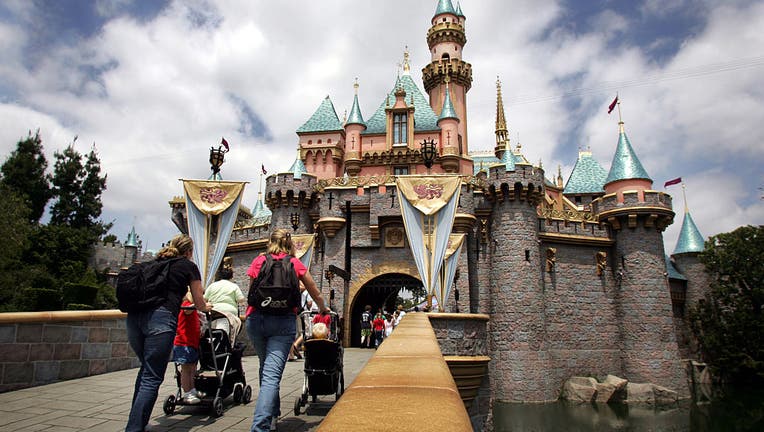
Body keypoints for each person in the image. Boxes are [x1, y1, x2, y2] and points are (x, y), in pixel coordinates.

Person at [126, 234, 212, 432]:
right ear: (189, 252)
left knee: (146, 371)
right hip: (160, 319)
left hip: (134, 318)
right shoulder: (188, 266)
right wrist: (207, 307)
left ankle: (138, 422)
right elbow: (198, 302)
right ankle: (134, 428)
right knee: (152, 376)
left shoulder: (155, 263)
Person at [246, 229, 329, 432]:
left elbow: (251, 291)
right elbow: (313, 289)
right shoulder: (294, 263)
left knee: (265, 368)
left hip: (256, 319)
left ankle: (272, 416)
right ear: (289, 244)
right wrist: (323, 307)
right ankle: (260, 427)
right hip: (282, 322)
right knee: (271, 375)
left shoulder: (259, 261)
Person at [173, 291, 204, 404]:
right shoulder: (186, 304)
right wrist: (200, 304)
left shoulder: (192, 309)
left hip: (191, 343)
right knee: (186, 370)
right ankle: (187, 393)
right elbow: (187, 310)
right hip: (183, 343)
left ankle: (192, 390)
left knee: (192, 369)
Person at [204, 266, 246, 344]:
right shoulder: (234, 286)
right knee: (224, 336)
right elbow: (241, 299)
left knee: (213, 336)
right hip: (227, 315)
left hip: (213, 313)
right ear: (231, 276)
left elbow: (204, 299)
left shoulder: (212, 286)